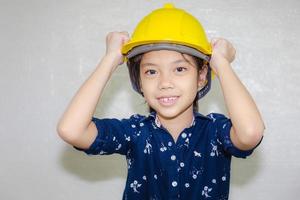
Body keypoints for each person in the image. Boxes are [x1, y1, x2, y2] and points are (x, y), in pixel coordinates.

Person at [57, 3, 265, 200]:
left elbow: (250, 133)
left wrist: (221, 63)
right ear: (139, 80)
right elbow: (71, 130)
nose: (165, 82)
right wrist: (110, 58)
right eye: (151, 71)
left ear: (201, 77)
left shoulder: (215, 132)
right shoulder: (134, 132)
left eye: (180, 69)